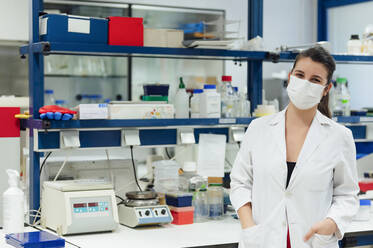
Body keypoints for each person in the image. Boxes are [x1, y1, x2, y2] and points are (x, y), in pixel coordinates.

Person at [230, 46, 359, 248]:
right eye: (300, 75)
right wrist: (249, 226)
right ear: (290, 78)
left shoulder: (339, 137)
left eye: (315, 80)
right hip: (261, 240)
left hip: (313, 242)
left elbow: (347, 195)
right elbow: (239, 183)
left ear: (326, 89)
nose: (305, 84)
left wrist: (331, 223)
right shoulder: (259, 129)